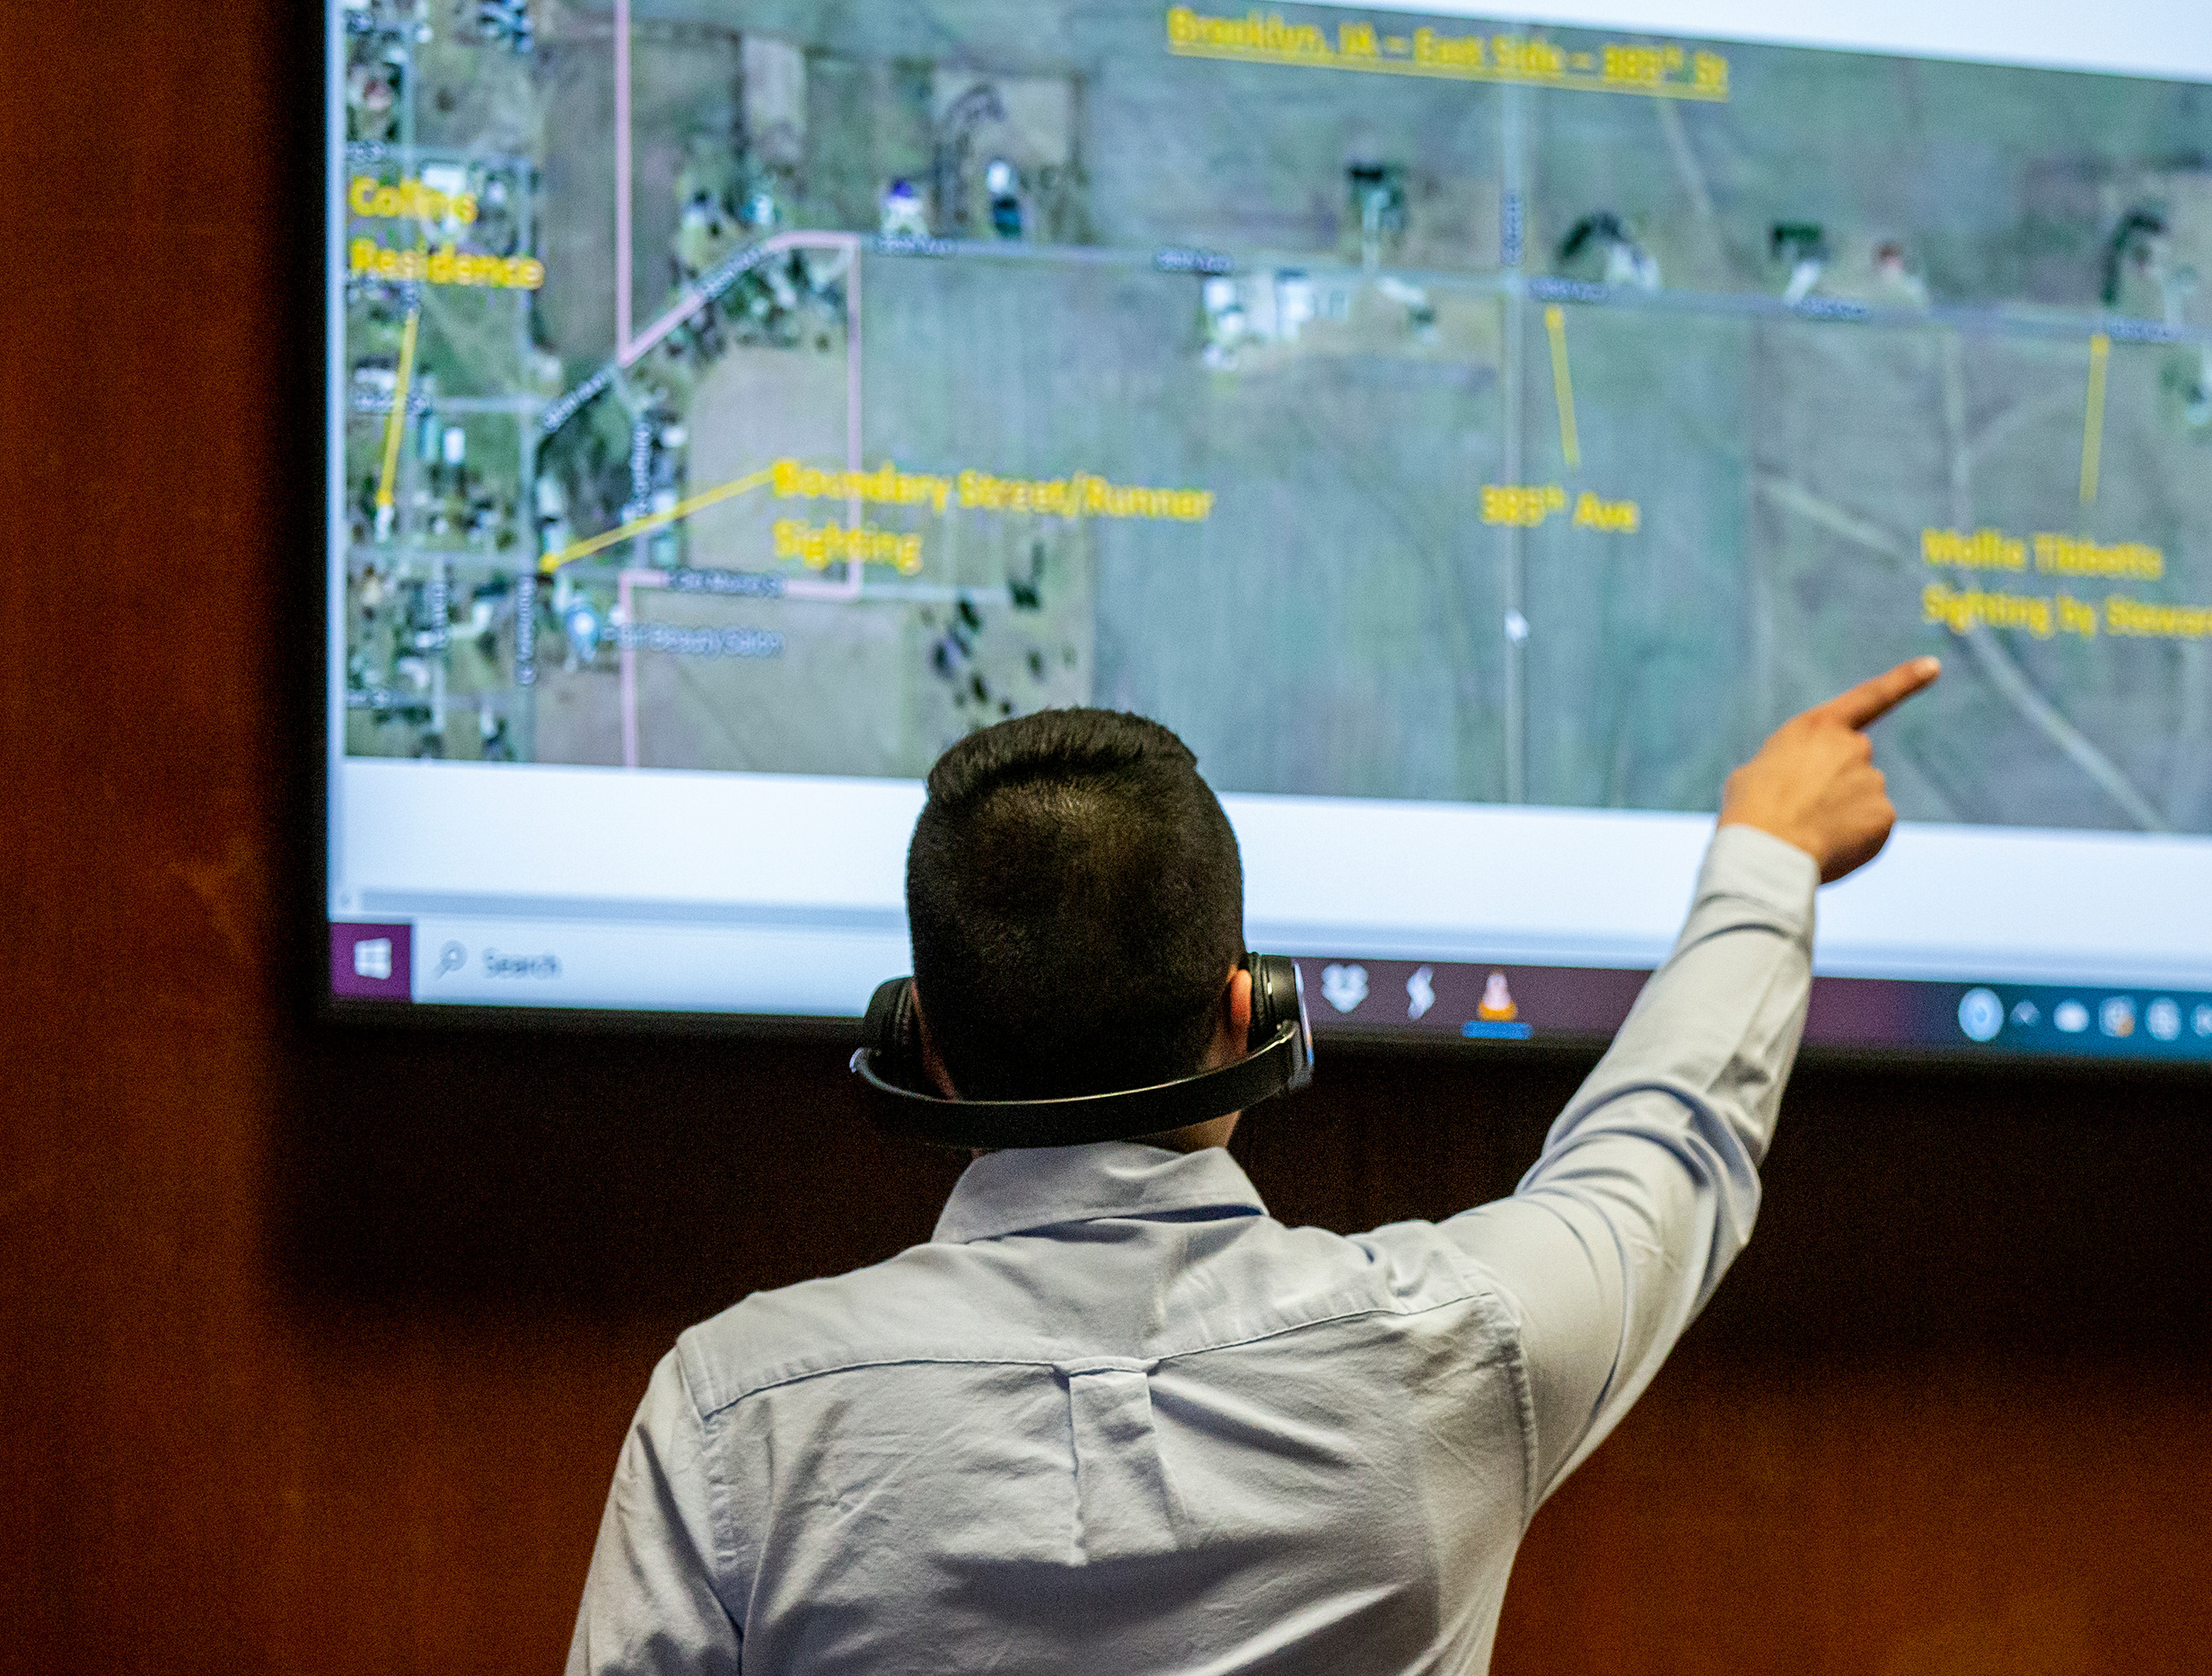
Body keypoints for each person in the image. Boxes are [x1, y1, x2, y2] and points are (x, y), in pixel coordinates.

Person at [570, 656, 1941, 1674]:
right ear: (1251, 1011)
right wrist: (1769, 851)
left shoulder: (733, 1415)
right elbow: (1667, 1143)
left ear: (920, 1042)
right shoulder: (1459, 1345)